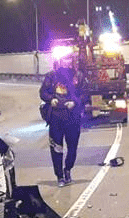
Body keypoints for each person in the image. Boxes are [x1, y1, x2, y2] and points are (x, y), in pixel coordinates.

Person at [40, 56, 85, 186]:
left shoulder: (79, 76)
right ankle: (59, 176)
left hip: (72, 118)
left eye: (69, 60)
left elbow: (84, 94)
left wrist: (74, 102)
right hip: (55, 117)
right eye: (64, 60)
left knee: (72, 148)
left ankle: (68, 170)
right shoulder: (51, 76)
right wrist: (50, 99)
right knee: (56, 148)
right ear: (59, 61)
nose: (67, 62)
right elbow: (43, 92)